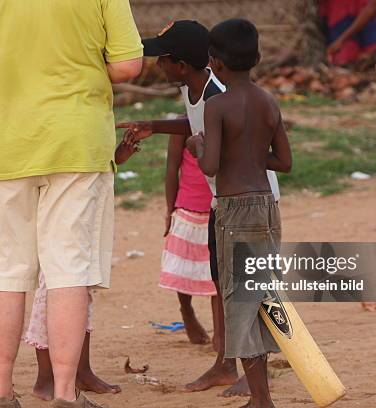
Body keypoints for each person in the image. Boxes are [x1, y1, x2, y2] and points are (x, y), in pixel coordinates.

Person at [0, 0, 143, 406]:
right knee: (69, 271)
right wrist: (82, 72)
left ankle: (1, 393)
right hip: (76, 140)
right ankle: (66, 394)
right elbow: (127, 66)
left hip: (4, 144)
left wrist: (16, 79)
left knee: (2, 273)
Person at [117, 20, 281, 397]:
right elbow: (194, 122)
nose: (157, 65)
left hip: (250, 202)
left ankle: (257, 374)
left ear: (181, 64)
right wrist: (154, 126)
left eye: (162, 59)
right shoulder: (195, 90)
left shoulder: (220, 94)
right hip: (221, 202)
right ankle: (227, 363)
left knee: (252, 288)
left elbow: (220, 151)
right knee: (225, 285)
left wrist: (196, 150)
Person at [186, 19, 292, 408]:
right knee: (263, 293)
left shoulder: (216, 106)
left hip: (233, 209)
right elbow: (284, 161)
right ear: (257, 58)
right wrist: (249, 153)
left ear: (213, 63)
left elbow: (210, 166)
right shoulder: (268, 101)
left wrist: (198, 147)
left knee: (239, 299)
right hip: (266, 207)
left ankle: (261, 400)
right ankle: (261, 396)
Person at [24, 141, 140, 401]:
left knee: (79, 284)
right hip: (61, 185)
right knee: (58, 284)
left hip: (87, 185)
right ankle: (46, 377)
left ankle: (81, 371)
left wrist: (114, 156)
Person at [320, 0, 376, 66]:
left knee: (372, 56)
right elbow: (372, 8)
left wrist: (340, 41)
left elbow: (372, 8)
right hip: (341, 14)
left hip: (353, 14)